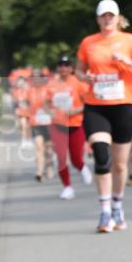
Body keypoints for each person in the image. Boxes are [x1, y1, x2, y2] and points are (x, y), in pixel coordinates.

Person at [76, 0, 132, 232]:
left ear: (118, 18)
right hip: (96, 106)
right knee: (101, 155)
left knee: (120, 165)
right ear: (98, 19)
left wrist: (129, 62)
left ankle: (118, 204)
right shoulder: (89, 42)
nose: (107, 19)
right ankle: (105, 211)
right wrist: (84, 77)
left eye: (111, 16)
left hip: (123, 106)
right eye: (103, 16)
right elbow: (79, 71)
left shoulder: (130, 41)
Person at [46, 55, 93, 199]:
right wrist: (51, 111)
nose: (63, 68)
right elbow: (47, 104)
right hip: (58, 125)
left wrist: (76, 110)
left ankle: (82, 167)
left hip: (75, 124)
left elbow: (88, 103)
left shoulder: (78, 82)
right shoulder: (52, 84)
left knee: (75, 158)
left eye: (66, 65)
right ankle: (67, 187)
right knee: (61, 158)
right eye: (60, 65)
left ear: (71, 68)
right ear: (57, 68)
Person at [28, 69, 55, 182]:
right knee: (39, 147)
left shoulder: (48, 90)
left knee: (48, 149)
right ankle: (39, 171)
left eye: (38, 76)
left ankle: (49, 166)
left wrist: (48, 109)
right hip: (36, 122)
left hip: (48, 122)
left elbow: (54, 105)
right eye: (33, 77)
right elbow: (25, 106)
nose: (36, 79)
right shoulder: (29, 91)